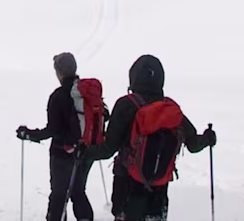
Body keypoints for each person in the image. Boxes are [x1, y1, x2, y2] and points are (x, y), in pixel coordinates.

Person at [83, 54, 215, 221]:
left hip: (127, 191)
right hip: (159, 193)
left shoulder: (126, 105)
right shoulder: (171, 110)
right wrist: (208, 138)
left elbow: (108, 149)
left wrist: (83, 152)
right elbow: (194, 144)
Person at [16, 51, 96, 221]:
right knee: (78, 191)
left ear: (59, 72)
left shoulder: (58, 96)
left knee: (59, 194)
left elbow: (52, 130)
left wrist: (29, 134)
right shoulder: (87, 92)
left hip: (62, 154)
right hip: (87, 151)